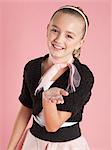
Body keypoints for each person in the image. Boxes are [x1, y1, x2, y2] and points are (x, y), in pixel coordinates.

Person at [8, 5, 94, 150]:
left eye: (69, 36)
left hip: (66, 145)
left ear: (80, 43)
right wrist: (10, 147)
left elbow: (52, 126)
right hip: (34, 143)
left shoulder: (82, 76)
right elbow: (26, 108)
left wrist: (47, 101)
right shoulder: (32, 67)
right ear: (47, 29)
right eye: (55, 30)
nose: (59, 39)